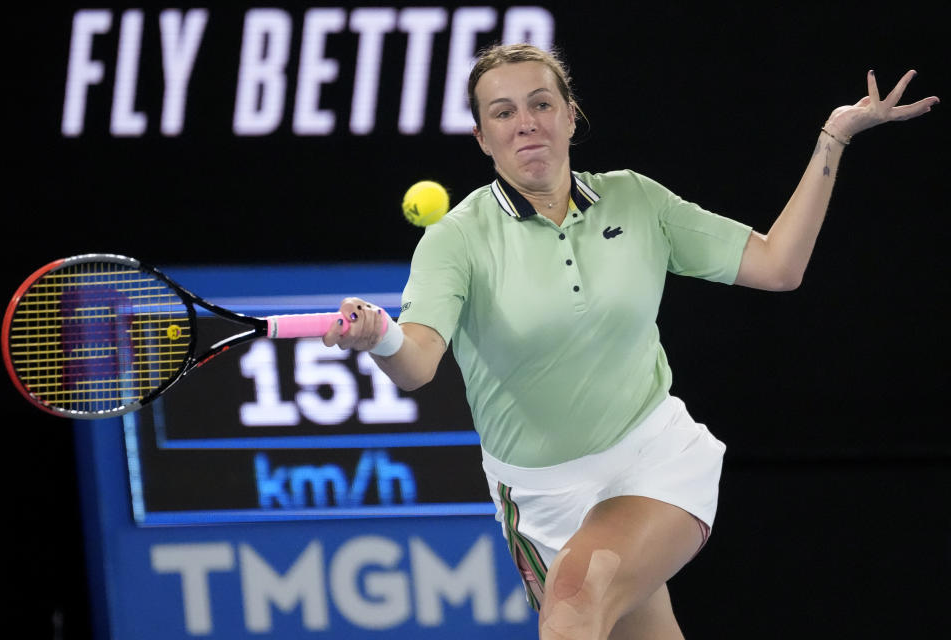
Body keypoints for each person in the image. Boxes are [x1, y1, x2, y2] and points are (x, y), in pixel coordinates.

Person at [322, 44, 938, 639]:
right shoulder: (455, 239)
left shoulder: (636, 199)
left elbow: (779, 265)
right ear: (482, 138)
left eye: (540, 103)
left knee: (573, 601)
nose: (525, 123)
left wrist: (834, 137)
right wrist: (381, 338)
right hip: (541, 500)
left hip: (651, 458)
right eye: (502, 112)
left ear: (570, 115)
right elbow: (418, 364)